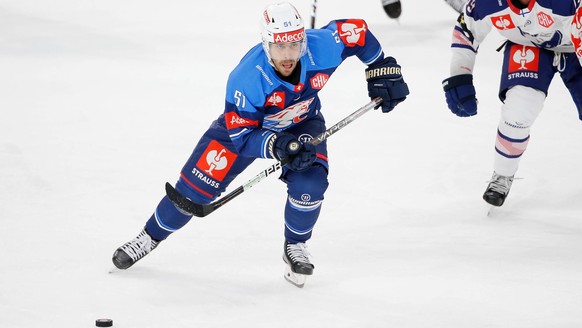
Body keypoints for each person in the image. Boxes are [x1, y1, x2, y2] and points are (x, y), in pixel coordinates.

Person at [112, 2, 409, 287]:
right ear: (267, 44)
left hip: (303, 122)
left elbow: (356, 32)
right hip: (245, 131)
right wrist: (279, 146)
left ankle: (295, 245)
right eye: (280, 46)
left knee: (311, 183)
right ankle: (149, 237)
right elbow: (242, 137)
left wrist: (380, 66)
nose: (288, 54)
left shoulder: (322, 46)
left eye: (294, 44)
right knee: (192, 194)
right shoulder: (246, 78)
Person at [442, 0, 582, 207]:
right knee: (519, 108)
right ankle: (502, 175)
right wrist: (460, 76)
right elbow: (466, 31)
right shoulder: (485, 3)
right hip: (528, 45)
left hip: (575, 45)